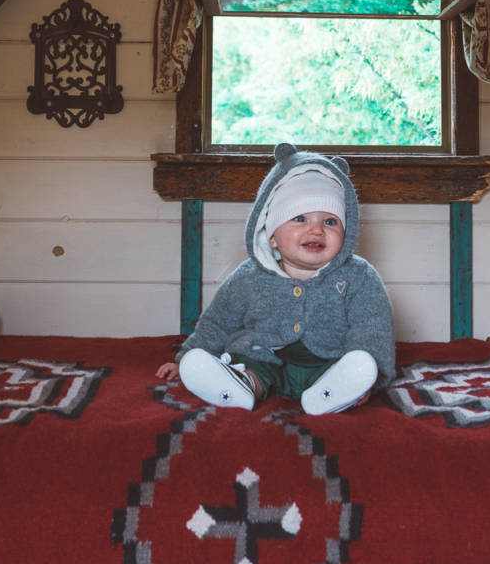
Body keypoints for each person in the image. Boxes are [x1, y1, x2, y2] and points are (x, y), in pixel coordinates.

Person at [156, 143, 395, 414]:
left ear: (347, 232)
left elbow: (373, 329)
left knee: (350, 366)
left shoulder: (359, 276)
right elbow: (218, 321)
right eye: (300, 218)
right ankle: (240, 386)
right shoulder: (250, 276)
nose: (316, 230)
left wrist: (370, 378)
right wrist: (188, 356)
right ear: (271, 235)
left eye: (330, 222)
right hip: (263, 358)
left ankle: (335, 393)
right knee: (248, 364)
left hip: (327, 363)